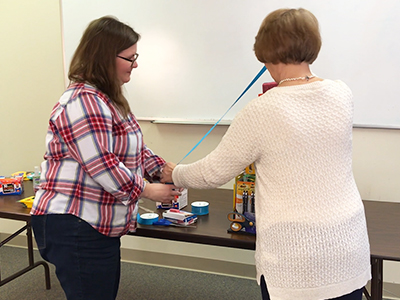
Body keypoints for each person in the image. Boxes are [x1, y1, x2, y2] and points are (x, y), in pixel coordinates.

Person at [161, 8, 371, 300]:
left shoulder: (262, 110)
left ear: (266, 51)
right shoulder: (341, 94)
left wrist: (176, 172)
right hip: (349, 249)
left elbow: (213, 171)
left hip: (296, 260)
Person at [30, 16, 181, 300]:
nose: (136, 63)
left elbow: (133, 148)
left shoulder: (107, 99)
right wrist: (150, 190)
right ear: (105, 57)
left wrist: (162, 169)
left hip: (94, 225)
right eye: (130, 57)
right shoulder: (82, 102)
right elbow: (104, 165)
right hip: (74, 224)